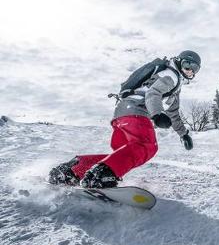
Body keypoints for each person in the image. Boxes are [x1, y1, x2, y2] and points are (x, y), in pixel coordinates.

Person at [48, 50, 201, 188]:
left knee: (123, 156)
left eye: (194, 68)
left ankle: (73, 170)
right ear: (179, 61)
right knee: (146, 146)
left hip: (122, 114)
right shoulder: (171, 76)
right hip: (136, 111)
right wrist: (157, 114)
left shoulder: (175, 85)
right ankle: (99, 176)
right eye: (187, 64)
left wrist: (183, 134)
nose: (189, 70)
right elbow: (152, 93)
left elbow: (173, 113)